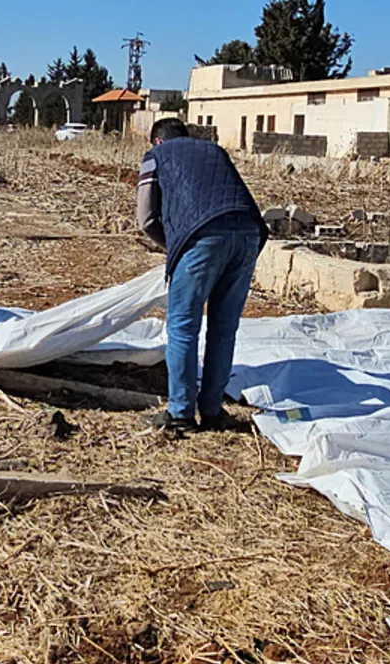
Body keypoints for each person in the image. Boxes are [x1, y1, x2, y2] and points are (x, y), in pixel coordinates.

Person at [137, 118, 268, 433]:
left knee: (183, 326)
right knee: (223, 329)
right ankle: (211, 411)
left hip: (202, 235)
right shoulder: (214, 151)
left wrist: (175, 246)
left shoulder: (156, 156)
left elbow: (146, 218)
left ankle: (181, 415)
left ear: (157, 141)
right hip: (249, 234)